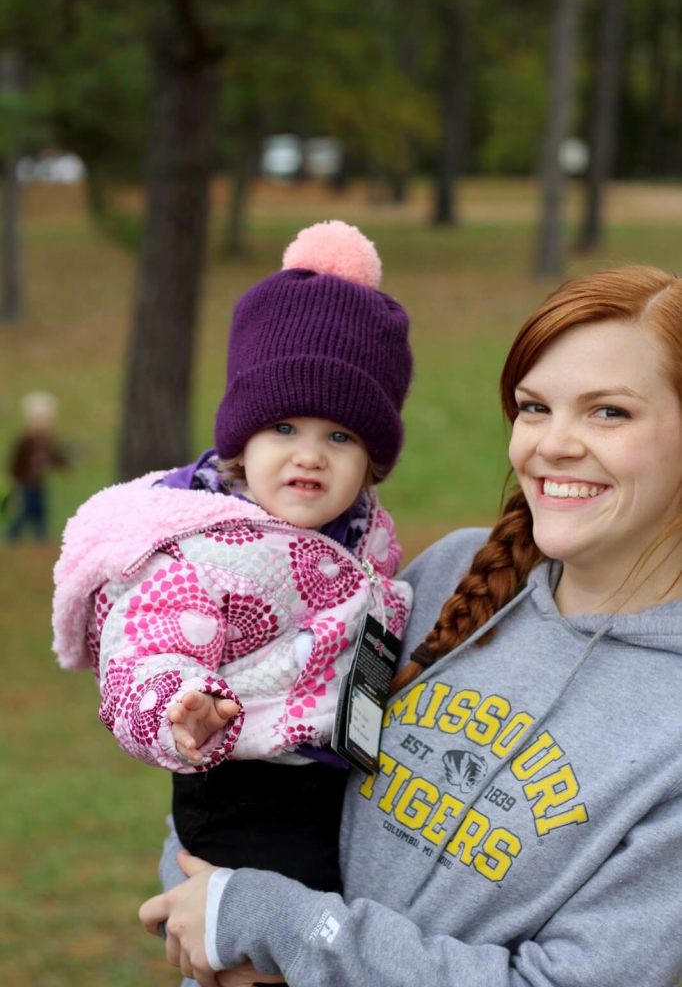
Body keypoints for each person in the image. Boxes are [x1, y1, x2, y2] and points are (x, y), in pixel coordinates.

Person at [140, 264, 682, 987]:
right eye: (533, 407)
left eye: (608, 412)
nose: (553, 444)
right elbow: (262, 750)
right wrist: (213, 904)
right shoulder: (452, 573)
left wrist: (278, 925)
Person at [52, 221, 413, 960]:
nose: (310, 455)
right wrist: (181, 715)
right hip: (248, 793)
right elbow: (142, 653)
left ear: (372, 460)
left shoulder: (366, 534)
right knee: (276, 956)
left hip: (335, 786)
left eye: (341, 437)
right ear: (243, 440)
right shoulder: (202, 547)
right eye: (284, 427)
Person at [5, 391, 68, 541]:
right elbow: (16, 460)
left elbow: (55, 456)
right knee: (26, 510)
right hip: (26, 482)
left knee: (41, 510)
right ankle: (12, 534)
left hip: (40, 482)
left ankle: (41, 536)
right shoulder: (25, 441)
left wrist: (64, 468)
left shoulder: (47, 441)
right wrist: (14, 477)